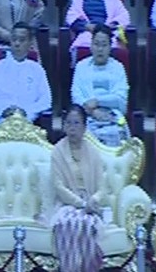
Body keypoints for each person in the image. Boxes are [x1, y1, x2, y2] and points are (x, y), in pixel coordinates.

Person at [51, 104, 106, 272]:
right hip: (67, 204)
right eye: (68, 123)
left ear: (84, 127)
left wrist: (93, 200)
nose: (72, 127)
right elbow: (59, 187)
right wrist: (81, 204)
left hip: (91, 204)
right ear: (63, 126)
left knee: (88, 224)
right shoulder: (58, 151)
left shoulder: (93, 151)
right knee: (67, 223)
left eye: (76, 123)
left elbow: (102, 188)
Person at [0, 22, 52, 130]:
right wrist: (2, 111)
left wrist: (26, 112)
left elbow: (46, 100)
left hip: (28, 125)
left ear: (30, 43)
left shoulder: (37, 69)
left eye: (22, 40)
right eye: (14, 39)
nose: (17, 43)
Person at [71, 25, 130, 146]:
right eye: (96, 44)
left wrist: (97, 101)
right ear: (91, 46)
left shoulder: (118, 67)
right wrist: (93, 112)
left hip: (112, 115)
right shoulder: (81, 66)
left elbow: (121, 99)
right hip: (86, 116)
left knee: (115, 135)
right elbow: (76, 96)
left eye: (104, 45)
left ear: (110, 47)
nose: (100, 49)